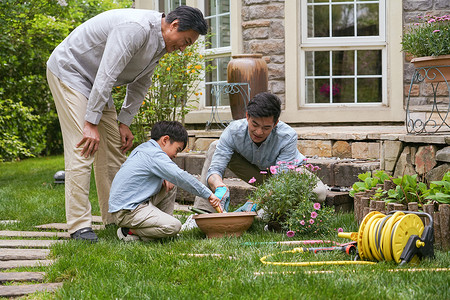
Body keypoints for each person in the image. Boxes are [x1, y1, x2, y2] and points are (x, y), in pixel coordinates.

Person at [46, 6, 208, 242]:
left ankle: (116, 216)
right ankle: (79, 226)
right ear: (174, 25)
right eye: (185, 41)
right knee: (84, 146)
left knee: (113, 149)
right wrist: (90, 122)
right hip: (71, 71)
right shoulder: (137, 28)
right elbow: (108, 73)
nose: (183, 48)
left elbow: (141, 82)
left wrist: (124, 122)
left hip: (96, 81)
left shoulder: (160, 45)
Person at [192, 92, 327, 215]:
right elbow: (215, 169)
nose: (259, 132)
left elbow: (281, 181)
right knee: (215, 146)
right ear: (247, 116)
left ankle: (266, 214)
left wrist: (256, 200)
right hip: (255, 173)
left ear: (275, 124)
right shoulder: (234, 131)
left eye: (266, 127)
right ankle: (204, 212)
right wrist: (219, 186)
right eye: (254, 125)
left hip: (286, 175)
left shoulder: (287, 136)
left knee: (319, 192)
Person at [109, 121, 221, 241]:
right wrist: (208, 194)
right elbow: (181, 176)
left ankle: (163, 230)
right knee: (174, 226)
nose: (176, 155)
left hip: (136, 201)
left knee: (171, 183)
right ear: (165, 140)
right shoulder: (154, 154)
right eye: (177, 150)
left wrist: (165, 177)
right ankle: (128, 231)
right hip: (127, 211)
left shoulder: (146, 148)